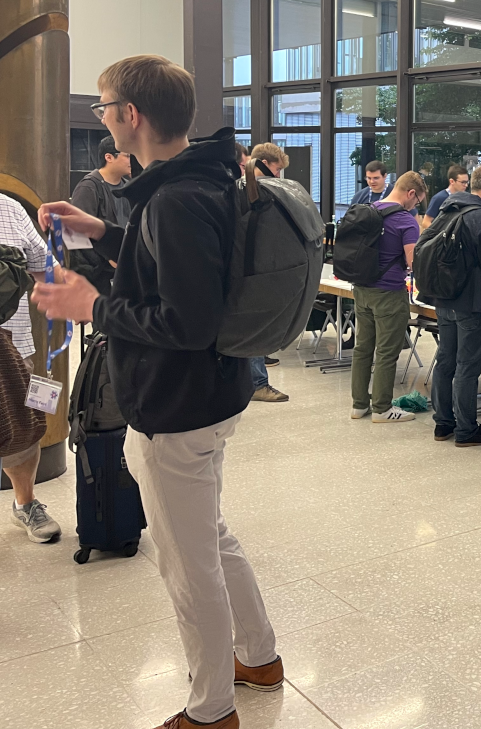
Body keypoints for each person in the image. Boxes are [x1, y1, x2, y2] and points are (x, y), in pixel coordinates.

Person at [32, 54, 281, 729]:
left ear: (129, 116)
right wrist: (102, 233)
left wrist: (92, 307)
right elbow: (166, 258)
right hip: (209, 396)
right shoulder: (200, 177)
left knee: (186, 563)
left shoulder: (175, 197)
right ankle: (258, 655)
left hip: (176, 404)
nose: (102, 116)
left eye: (103, 105)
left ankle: (211, 708)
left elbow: (186, 321)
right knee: (211, 536)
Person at [428, 164, 481, 447]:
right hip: (472, 305)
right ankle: (466, 429)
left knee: (445, 360)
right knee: (467, 366)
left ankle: (443, 423)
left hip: (443, 299)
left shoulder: (446, 210)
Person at [0, 193, 62, 543]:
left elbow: (43, 267)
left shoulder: (8, 208)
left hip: (14, 345)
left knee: (22, 432)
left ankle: (26, 503)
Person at [350, 172, 426, 423]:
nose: (415, 207)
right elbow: (412, 261)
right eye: (417, 202)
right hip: (389, 292)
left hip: (361, 289)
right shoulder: (405, 221)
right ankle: (382, 408)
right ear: (411, 193)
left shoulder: (368, 210)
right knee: (386, 352)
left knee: (363, 348)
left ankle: (359, 404)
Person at [243, 143, 294, 404]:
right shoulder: (251, 193)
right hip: (251, 274)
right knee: (252, 329)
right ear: (261, 163)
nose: (277, 177)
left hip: (255, 271)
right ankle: (257, 384)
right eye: (275, 170)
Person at [68, 135, 131, 294]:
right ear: (109, 157)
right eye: (128, 156)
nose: (133, 160)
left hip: (125, 270)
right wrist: (107, 258)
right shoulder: (89, 187)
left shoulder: (128, 187)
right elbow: (74, 234)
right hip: (99, 275)